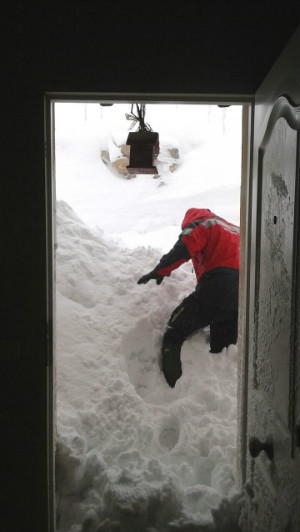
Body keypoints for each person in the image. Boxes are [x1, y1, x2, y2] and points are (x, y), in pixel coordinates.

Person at [137, 208, 240, 388]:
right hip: (240, 296)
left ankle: (172, 387)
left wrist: (160, 270)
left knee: (175, 328)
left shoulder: (204, 223)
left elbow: (185, 245)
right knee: (223, 349)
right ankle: (218, 390)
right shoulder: (236, 231)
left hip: (215, 287)